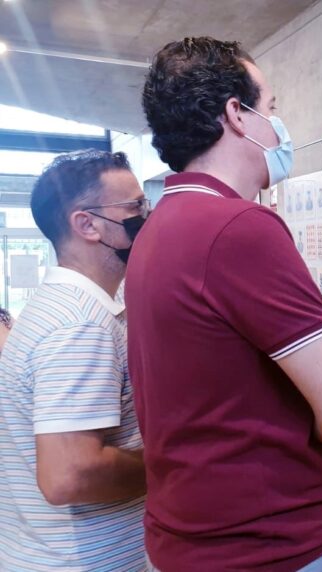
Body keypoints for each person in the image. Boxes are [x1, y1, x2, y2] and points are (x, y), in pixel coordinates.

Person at [134, 37, 322, 572]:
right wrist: (312, 418)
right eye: (270, 108)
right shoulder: (239, 227)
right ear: (237, 115)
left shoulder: (164, 226)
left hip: (192, 539)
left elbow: (312, 350)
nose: (279, 126)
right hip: (264, 546)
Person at [0, 150, 148, 570]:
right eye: (135, 207)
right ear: (87, 224)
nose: (146, 217)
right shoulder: (79, 325)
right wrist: (177, 463)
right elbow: (69, 474)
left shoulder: (67, 308)